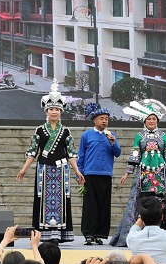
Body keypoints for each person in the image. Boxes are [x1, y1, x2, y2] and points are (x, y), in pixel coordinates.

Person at [17, 80, 84, 243]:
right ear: (46, 111)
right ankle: (44, 233)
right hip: (44, 169)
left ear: (61, 112)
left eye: (57, 109)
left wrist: (77, 171)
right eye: (51, 109)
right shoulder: (39, 130)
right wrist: (24, 169)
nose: (54, 112)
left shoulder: (65, 131)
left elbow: (71, 153)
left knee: (61, 199)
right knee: (43, 199)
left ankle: (58, 234)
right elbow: (33, 152)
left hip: (61, 170)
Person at [111, 98, 166, 247]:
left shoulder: (163, 136)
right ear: (144, 121)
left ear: (157, 121)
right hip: (143, 173)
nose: (151, 121)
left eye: (154, 119)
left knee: (163, 201)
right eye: (149, 119)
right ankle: (138, 232)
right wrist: (127, 173)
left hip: (161, 173)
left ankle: (165, 232)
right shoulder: (139, 136)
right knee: (141, 201)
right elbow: (135, 155)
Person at [77, 102, 121, 245]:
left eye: (106, 119)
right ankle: (89, 234)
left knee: (104, 205)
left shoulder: (111, 135)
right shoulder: (87, 135)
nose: (104, 121)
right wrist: (79, 173)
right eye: (101, 118)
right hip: (90, 174)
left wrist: (113, 142)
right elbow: (81, 155)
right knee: (90, 205)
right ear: (94, 120)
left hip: (106, 174)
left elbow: (118, 153)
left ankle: (100, 234)